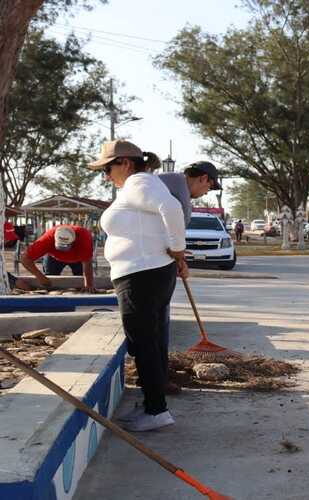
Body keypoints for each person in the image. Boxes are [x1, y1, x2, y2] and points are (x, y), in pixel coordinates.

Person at [87, 139, 188, 432]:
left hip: (142, 275)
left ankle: (157, 410)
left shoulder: (138, 183)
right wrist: (174, 251)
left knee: (143, 342)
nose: (106, 176)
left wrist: (178, 249)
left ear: (126, 163)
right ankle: (152, 405)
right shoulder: (140, 185)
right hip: (146, 272)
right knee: (148, 341)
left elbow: (171, 208)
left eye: (107, 169)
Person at [155, 161, 222, 395]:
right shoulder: (177, 194)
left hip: (154, 261)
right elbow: (170, 234)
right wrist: (179, 260)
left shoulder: (168, 183)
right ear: (203, 179)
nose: (206, 193)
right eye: (209, 187)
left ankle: (159, 374)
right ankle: (157, 380)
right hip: (152, 267)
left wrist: (178, 258)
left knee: (158, 324)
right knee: (157, 325)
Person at [20, 224, 96, 293]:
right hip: (53, 258)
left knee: (82, 284)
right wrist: (39, 276)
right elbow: (25, 258)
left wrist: (89, 284)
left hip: (78, 259)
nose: (63, 251)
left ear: (73, 241)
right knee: (49, 284)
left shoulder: (84, 237)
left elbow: (87, 263)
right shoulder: (47, 239)